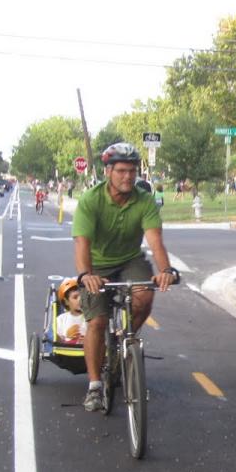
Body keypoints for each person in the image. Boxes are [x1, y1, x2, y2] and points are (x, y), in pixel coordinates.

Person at [73, 142, 179, 412]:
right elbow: (82, 244)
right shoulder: (90, 201)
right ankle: (95, 386)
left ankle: (123, 340)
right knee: (97, 321)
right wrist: (86, 275)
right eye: (121, 170)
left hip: (130, 260)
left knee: (144, 296)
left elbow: (155, 242)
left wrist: (166, 270)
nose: (128, 177)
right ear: (108, 171)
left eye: (132, 171)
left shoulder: (144, 200)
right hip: (97, 265)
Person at [54, 279, 87, 344]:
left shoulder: (90, 317)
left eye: (82, 296)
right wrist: (67, 337)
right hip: (66, 351)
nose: (80, 300)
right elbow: (56, 340)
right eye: (75, 297)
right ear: (66, 301)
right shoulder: (61, 320)